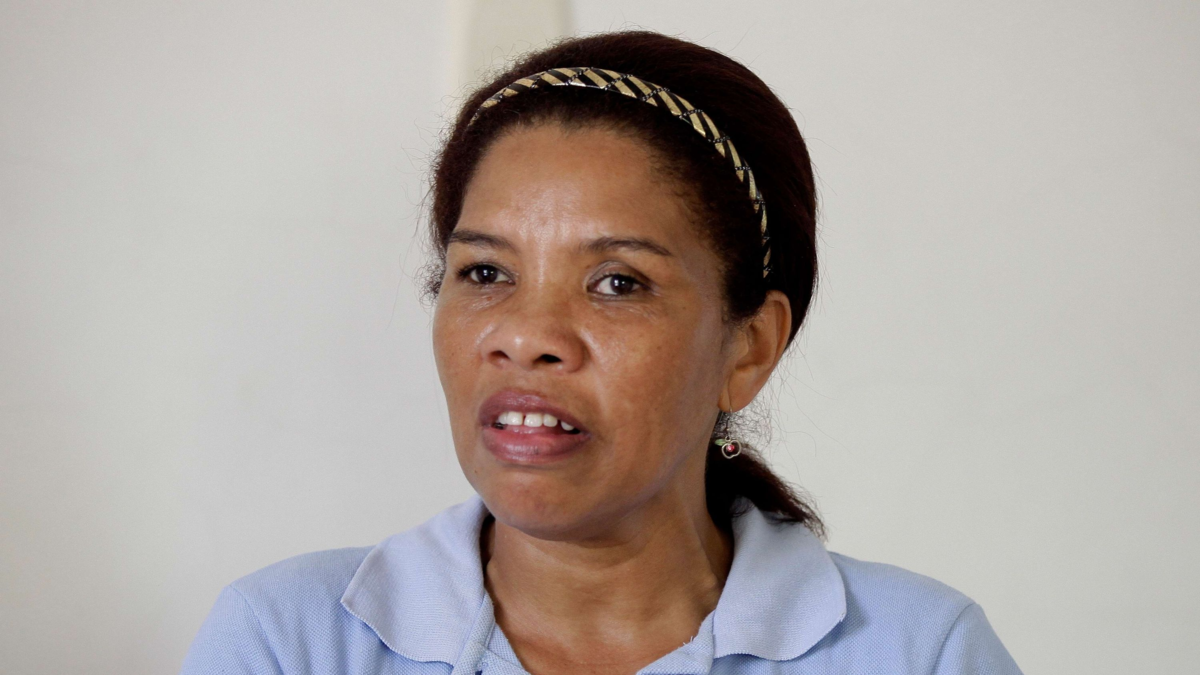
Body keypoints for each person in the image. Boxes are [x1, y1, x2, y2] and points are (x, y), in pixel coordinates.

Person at [181, 31, 1022, 675]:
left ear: (749, 347)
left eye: (617, 282)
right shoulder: (288, 641)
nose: (526, 335)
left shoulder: (919, 651)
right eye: (485, 272)